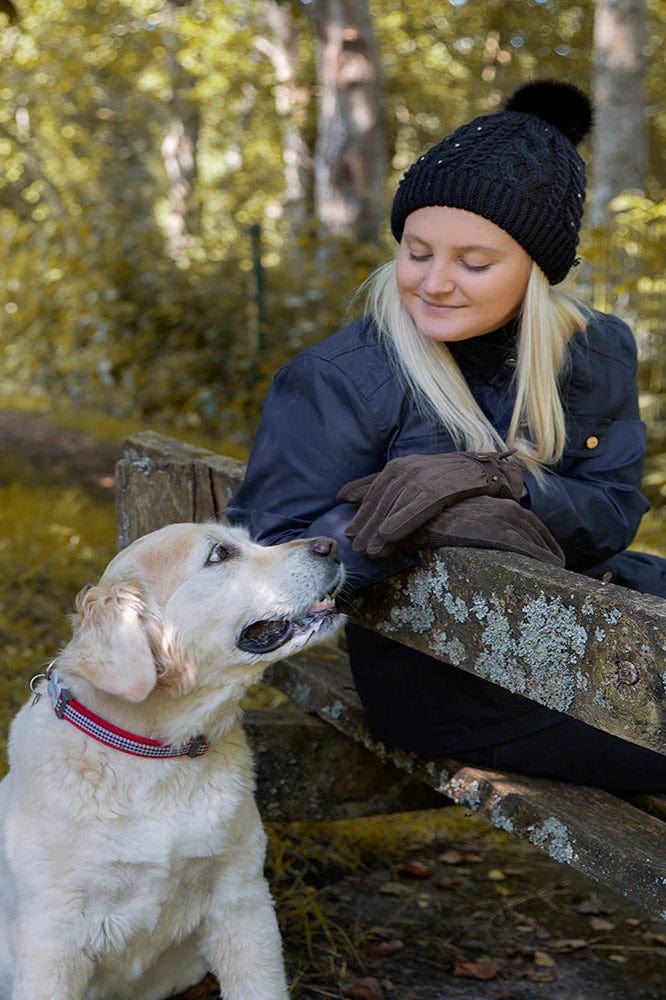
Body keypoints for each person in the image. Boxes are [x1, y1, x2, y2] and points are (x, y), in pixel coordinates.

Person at [227, 80, 666, 792]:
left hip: (596, 619)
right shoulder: (344, 376)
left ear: (536, 270)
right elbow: (265, 566)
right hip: (449, 678)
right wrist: (417, 525)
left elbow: (613, 510)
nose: (433, 283)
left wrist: (510, 485)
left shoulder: (595, 349)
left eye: (474, 263)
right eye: (417, 252)